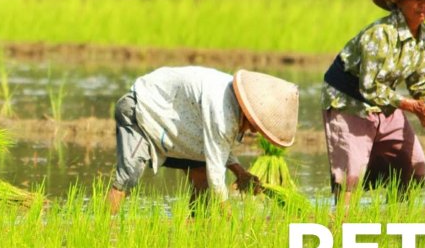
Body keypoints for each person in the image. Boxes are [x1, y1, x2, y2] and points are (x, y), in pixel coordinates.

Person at [321, 0, 425, 206]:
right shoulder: (380, 34)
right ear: (397, 0)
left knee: (415, 165)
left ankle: (395, 219)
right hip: (348, 101)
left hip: (386, 102)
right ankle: (340, 230)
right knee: (350, 176)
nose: (423, 4)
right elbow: (370, 87)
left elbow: (423, 83)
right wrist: (411, 106)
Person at [107, 66, 299, 213]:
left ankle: (193, 229)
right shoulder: (223, 111)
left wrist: (239, 172)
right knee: (128, 176)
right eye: (254, 126)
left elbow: (216, 146)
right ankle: (104, 227)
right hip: (143, 109)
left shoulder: (231, 102)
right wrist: (229, 218)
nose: (254, 132)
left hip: (175, 122)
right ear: (248, 113)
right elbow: (217, 174)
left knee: (200, 171)